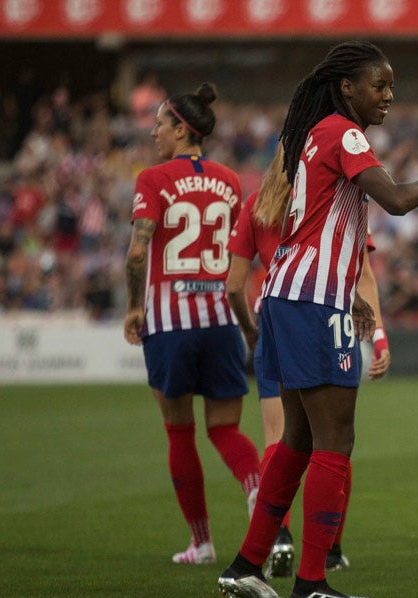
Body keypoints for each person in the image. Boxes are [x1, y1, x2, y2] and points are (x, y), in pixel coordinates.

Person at [217, 41, 418, 598]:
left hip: (285, 294)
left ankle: (246, 566)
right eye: (379, 85)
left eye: (391, 86)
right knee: (336, 438)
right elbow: (397, 201)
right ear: (347, 87)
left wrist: (347, 290)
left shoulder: (311, 135)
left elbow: (327, 224)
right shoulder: (346, 133)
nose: (388, 96)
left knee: (298, 439)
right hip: (311, 301)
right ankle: (311, 584)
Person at [226, 143, 392, 578]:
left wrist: (250, 330)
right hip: (322, 315)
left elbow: (234, 284)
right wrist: (378, 336)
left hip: (273, 321)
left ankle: (273, 541)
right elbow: (362, 272)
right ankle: (329, 550)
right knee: (333, 437)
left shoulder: (255, 205)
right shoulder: (329, 194)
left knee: (279, 440)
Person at [123, 83, 262, 565]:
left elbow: (139, 249)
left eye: (160, 124)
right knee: (225, 429)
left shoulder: (152, 179)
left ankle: (201, 542)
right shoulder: (229, 180)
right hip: (222, 319)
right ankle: (257, 491)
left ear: (182, 129)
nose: (154, 131)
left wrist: (133, 306)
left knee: (179, 433)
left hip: (170, 321)